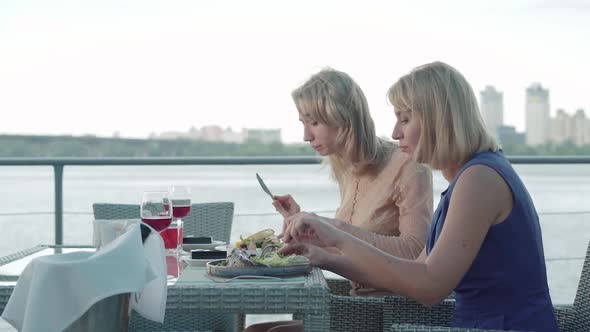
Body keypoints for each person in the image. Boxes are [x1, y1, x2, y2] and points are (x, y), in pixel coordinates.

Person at [279, 62, 559, 331]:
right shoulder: (470, 177)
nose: (394, 132)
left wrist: (337, 234)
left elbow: (428, 289)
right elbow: (413, 272)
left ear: (439, 120)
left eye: (405, 119)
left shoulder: (479, 180)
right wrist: (325, 257)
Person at [245, 68, 433, 332]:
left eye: (314, 123)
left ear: (342, 118)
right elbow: (351, 247)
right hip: (357, 305)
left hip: (392, 314)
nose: (306, 136)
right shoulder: (348, 168)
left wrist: (331, 228)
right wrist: (305, 228)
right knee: (255, 330)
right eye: (302, 124)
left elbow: (415, 252)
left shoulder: (408, 166)